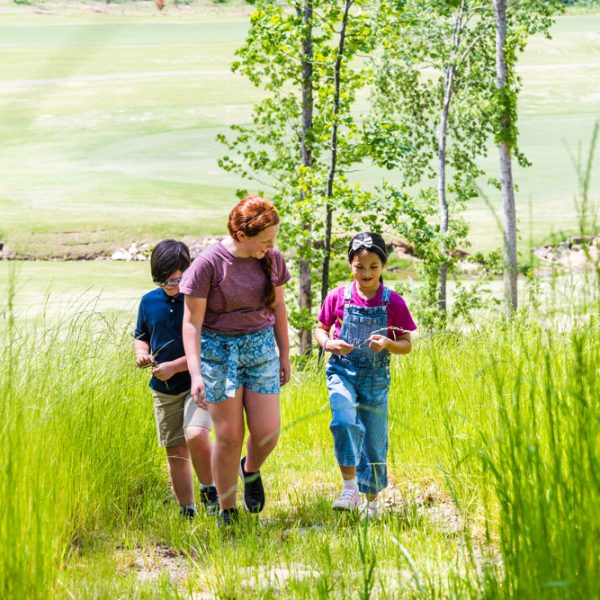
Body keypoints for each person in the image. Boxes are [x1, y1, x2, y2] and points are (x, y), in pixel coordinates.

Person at [180, 196, 291, 527]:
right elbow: (191, 323)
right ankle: (228, 511)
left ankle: (251, 469)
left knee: (268, 432)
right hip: (219, 354)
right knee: (228, 436)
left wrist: (284, 353)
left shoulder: (271, 259)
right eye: (265, 240)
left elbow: (279, 309)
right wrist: (196, 373)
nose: (271, 247)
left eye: (273, 240)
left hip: (261, 350)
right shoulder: (208, 265)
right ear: (242, 235)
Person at [314, 232, 416, 519]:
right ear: (350, 264)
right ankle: (349, 489)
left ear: (383, 265)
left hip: (375, 380)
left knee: (373, 441)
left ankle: (371, 504)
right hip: (342, 372)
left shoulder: (393, 302)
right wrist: (327, 343)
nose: (366, 272)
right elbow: (320, 329)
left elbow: (406, 345)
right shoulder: (338, 296)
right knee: (344, 420)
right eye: (360, 266)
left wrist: (387, 344)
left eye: (373, 266)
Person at [134, 239, 218, 519]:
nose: (170, 286)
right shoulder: (148, 301)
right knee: (175, 450)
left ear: (188, 269)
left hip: (197, 383)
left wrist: (175, 367)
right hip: (163, 388)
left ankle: (210, 489)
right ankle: (187, 510)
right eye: (162, 281)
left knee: (196, 434)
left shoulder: (197, 299)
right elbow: (141, 336)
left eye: (175, 280)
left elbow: (206, 346)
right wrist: (142, 354)